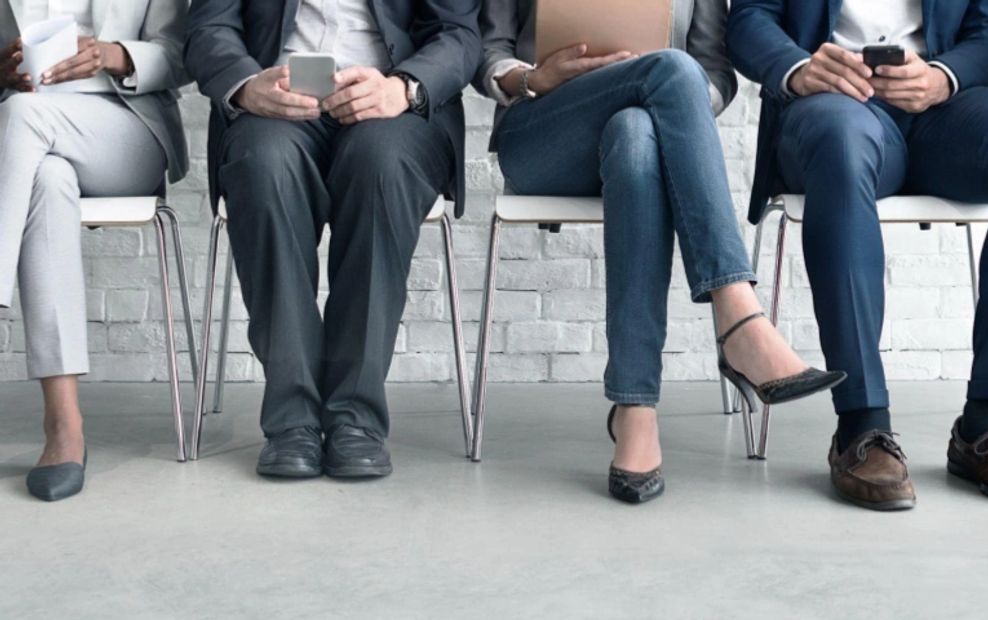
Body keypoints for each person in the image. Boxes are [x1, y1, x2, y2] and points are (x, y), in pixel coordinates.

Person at [476, 0, 844, 504]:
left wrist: (675, 101)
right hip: (542, 130)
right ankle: (738, 318)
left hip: (644, 131)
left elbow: (714, 72)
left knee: (637, 133)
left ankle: (636, 409)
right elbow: (489, 49)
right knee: (671, 68)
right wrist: (532, 78)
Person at [729, 0, 988, 510]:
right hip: (833, 106)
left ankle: (987, 422)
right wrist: (801, 69)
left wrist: (942, 77)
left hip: (944, 115)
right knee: (841, 142)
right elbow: (748, 19)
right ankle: (862, 426)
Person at [184, 0, 480, 479]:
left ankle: (355, 420)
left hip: (393, 106)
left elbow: (459, 33)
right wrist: (244, 85)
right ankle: (292, 422)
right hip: (274, 104)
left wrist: (404, 88)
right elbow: (208, 27)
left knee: (379, 168)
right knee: (264, 169)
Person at [0, 0, 190, 501]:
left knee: (24, 115)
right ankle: (64, 426)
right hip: (31, 145)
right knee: (46, 175)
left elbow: (185, 54)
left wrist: (115, 55)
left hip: (125, 126)